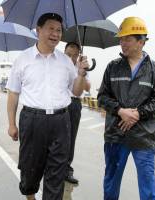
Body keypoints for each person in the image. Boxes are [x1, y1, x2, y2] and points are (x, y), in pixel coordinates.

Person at [6, 13, 89, 200]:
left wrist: (81, 74)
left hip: (61, 121)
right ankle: (30, 195)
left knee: (57, 171)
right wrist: (12, 124)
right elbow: (13, 94)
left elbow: (76, 92)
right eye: (51, 29)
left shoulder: (66, 61)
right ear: (38, 30)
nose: (56, 34)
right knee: (29, 168)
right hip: (32, 120)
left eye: (59, 30)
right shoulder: (23, 59)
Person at [97, 17, 155, 200]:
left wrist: (138, 113)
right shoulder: (113, 67)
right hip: (115, 134)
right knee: (111, 182)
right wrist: (120, 111)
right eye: (121, 39)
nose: (122, 43)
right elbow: (102, 97)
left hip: (143, 137)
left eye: (127, 39)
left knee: (148, 186)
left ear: (141, 41)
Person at [64, 42, 91, 184]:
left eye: (75, 55)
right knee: (56, 138)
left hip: (74, 104)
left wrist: (83, 72)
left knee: (71, 137)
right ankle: (52, 167)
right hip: (60, 104)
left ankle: (67, 169)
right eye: (69, 54)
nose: (71, 58)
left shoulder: (80, 67)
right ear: (64, 52)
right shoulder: (59, 65)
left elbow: (87, 87)